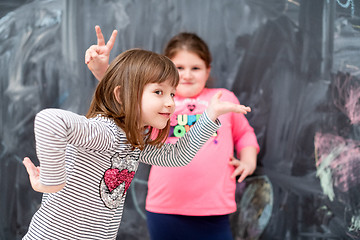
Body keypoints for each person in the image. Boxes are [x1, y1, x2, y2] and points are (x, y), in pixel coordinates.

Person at [22, 48, 252, 240]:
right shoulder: (107, 132)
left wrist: (209, 116)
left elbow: (177, 156)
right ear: (121, 96)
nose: (170, 102)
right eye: (159, 92)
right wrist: (53, 182)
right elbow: (49, 120)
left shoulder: (132, 140)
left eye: (172, 94)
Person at [85, 26, 259, 240]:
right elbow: (125, 105)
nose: (186, 74)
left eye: (195, 68)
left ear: (208, 70)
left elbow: (245, 134)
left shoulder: (223, 99)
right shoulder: (156, 100)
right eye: (179, 67)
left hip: (214, 206)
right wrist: (103, 73)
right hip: (165, 206)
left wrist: (249, 161)